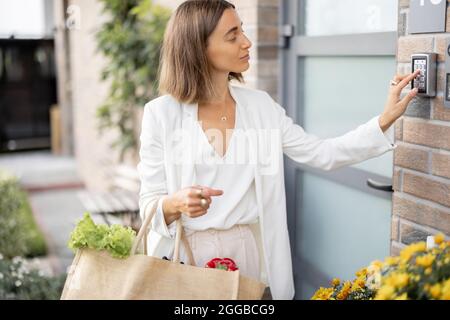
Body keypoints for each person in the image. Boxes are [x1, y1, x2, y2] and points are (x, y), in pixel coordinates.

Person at [137, 0, 420, 300]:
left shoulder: (260, 107)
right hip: (183, 256)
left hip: (244, 257)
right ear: (198, 48)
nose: (246, 42)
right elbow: (149, 203)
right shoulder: (161, 114)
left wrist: (385, 119)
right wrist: (174, 204)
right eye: (232, 36)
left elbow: (322, 154)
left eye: (242, 31)